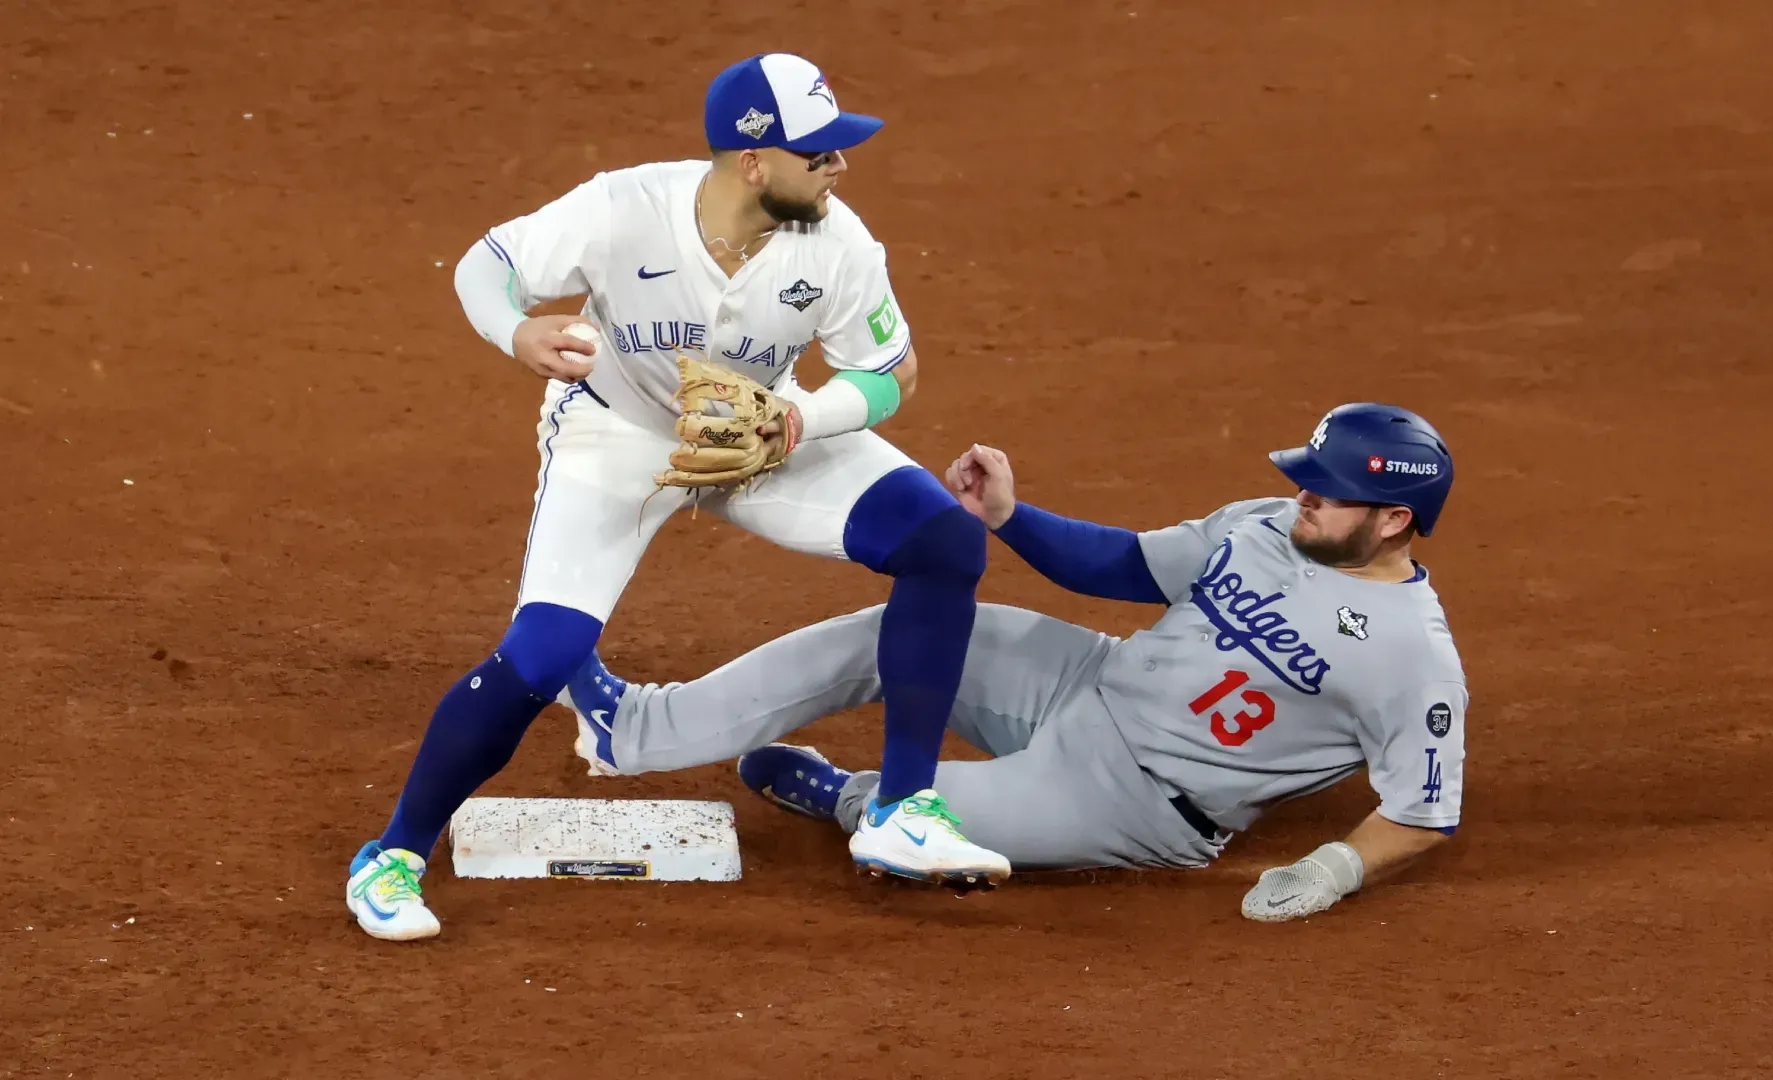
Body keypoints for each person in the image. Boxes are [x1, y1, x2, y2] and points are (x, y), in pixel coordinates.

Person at [346, 53, 1010, 943]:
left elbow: (891, 372)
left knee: (943, 541)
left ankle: (901, 806)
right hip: (616, 439)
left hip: (764, 436)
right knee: (541, 659)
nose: (838, 168)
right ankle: (391, 856)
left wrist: (797, 421)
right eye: (818, 154)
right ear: (752, 161)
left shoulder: (838, 241)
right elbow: (486, 263)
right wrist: (517, 330)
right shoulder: (625, 209)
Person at [576, 403, 1470, 921]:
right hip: (1090, 677)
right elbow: (1121, 565)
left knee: (908, 826)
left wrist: (1331, 871)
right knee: (897, 631)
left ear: (1393, 518)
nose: (1303, 494)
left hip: (1139, 798)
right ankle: (642, 725)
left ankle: (842, 793)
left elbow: (1423, 813)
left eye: (1328, 491)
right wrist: (1009, 515)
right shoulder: (1268, 525)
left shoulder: (1411, 657)